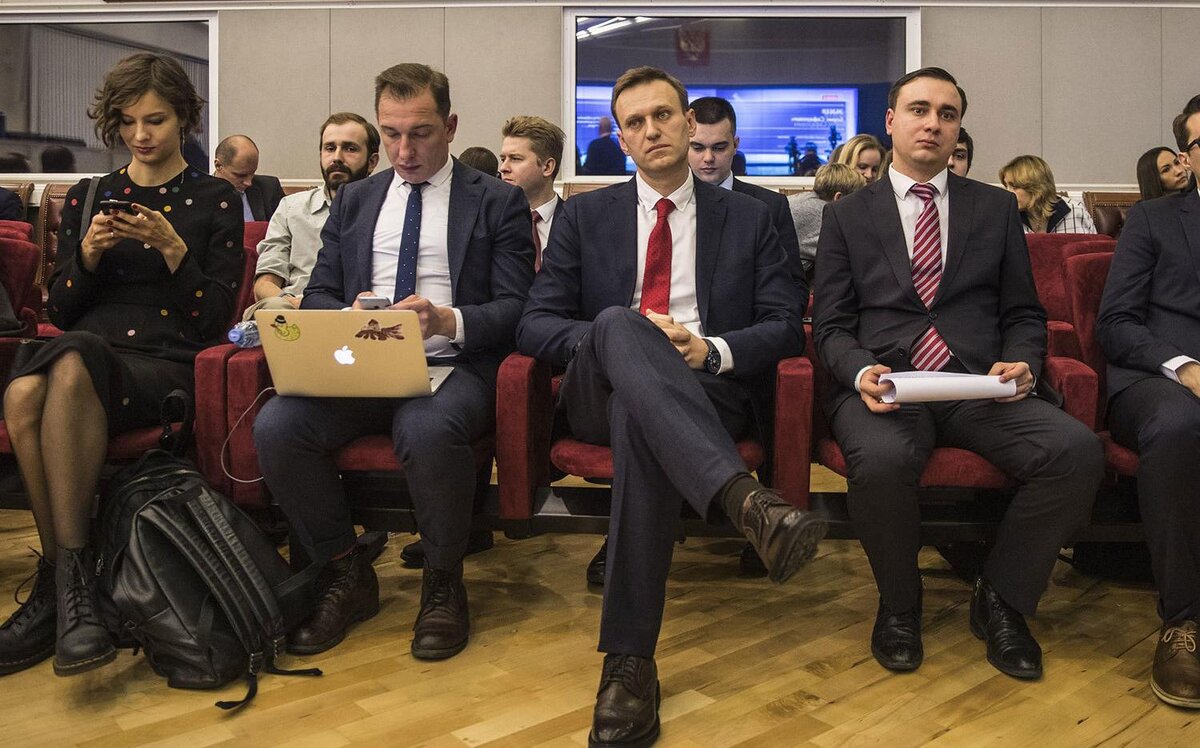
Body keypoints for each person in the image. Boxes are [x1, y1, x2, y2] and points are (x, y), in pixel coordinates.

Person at [518, 66, 825, 748]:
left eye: (663, 115)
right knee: (622, 324)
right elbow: (535, 324)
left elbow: (784, 326)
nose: (651, 130)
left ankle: (629, 664)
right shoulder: (584, 215)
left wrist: (709, 349)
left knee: (640, 415)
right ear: (621, 138)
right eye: (635, 122)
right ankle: (744, 500)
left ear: (688, 124)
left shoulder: (753, 215)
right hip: (597, 386)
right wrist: (617, 340)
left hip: (706, 389)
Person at [813, 66, 1102, 681]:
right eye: (919, 110)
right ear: (891, 121)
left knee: (1075, 452)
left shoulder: (993, 207)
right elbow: (830, 325)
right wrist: (859, 371)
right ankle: (900, 605)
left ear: (958, 128)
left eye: (947, 114)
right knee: (882, 461)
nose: (933, 124)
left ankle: (1002, 598)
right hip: (889, 387)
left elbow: (1023, 312)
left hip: (978, 385)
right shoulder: (848, 215)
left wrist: (1024, 360)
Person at [252, 63, 534, 662]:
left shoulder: (497, 201)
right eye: (392, 134)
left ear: (450, 127)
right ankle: (345, 570)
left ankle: (443, 579)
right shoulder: (356, 200)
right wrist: (347, 313)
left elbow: (517, 308)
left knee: (425, 428)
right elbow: (319, 293)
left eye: (421, 133)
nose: (405, 151)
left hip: (453, 365)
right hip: (362, 363)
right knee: (278, 426)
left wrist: (447, 320)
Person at [0, 52, 243, 678]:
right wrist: (84, 255)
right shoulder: (89, 196)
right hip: (85, 356)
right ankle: (69, 589)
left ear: (183, 119)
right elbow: (61, 309)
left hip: (163, 366)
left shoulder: (215, 198)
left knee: (63, 366)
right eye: (129, 122)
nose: (141, 135)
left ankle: (64, 592)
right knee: (25, 392)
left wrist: (173, 250)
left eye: (155, 120)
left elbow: (213, 320)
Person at [1094, 93, 1200, 709]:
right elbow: (1115, 324)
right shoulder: (1154, 220)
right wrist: (1186, 368)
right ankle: (1184, 621)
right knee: (1180, 424)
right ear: (1187, 158)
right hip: (1159, 380)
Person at [245, 112, 380, 319]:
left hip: (357, 314)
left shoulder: (385, 210)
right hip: (293, 312)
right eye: (330, 148)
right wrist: (294, 303)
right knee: (275, 308)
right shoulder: (292, 207)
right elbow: (264, 283)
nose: (337, 157)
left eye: (350, 149)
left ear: (372, 161)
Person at [499, 115, 565, 271]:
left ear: (547, 167)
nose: (503, 168)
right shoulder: (491, 220)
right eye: (503, 159)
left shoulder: (575, 222)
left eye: (515, 158)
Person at [788, 162, 866, 278]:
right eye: (857, 200)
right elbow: (851, 256)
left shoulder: (802, 199)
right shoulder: (821, 215)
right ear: (838, 198)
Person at [998, 155, 1097, 234]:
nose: (1008, 192)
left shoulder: (1075, 211)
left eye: (1014, 186)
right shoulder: (1006, 216)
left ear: (1036, 188)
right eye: (1006, 186)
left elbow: (1093, 250)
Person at [213, 134, 285, 222]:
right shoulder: (201, 196)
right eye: (241, 175)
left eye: (252, 173)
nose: (249, 183)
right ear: (218, 165)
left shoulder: (270, 188)